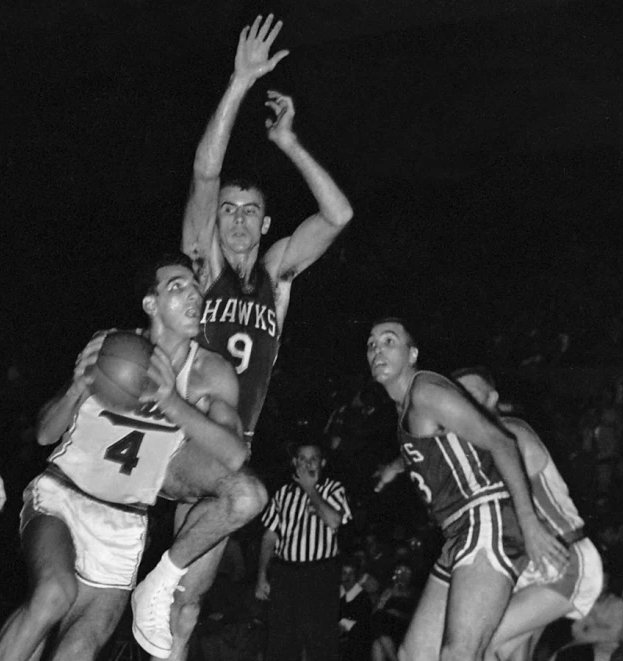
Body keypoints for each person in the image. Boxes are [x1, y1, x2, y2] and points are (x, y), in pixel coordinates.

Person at [171, 14, 353, 661]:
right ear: (215, 222)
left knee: (187, 599)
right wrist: (239, 83)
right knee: (222, 518)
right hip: (181, 434)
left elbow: (338, 214)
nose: (239, 220)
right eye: (229, 210)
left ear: (266, 220)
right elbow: (202, 171)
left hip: (231, 450)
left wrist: (290, 143)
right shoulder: (205, 265)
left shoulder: (277, 274)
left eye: (251, 211)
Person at [0, 253, 265, 661]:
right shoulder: (110, 346)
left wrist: (173, 403)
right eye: (177, 286)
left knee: (80, 647)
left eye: (195, 286)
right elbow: (44, 433)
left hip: (124, 525)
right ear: (151, 304)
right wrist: (75, 388)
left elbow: (234, 454)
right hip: (62, 496)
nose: (193, 293)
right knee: (53, 594)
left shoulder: (210, 374)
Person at [367, 318, 569, 661]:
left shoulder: (426, 392)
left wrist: (530, 523)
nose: (377, 350)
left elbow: (501, 442)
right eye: (371, 344)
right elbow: (443, 445)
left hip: (486, 520)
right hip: (460, 533)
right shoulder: (406, 409)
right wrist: (394, 467)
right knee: (413, 656)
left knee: (459, 654)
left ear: (412, 353)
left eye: (389, 341)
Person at [453, 367, 603, 661]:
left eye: (471, 394)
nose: (464, 402)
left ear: (492, 397)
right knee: (510, 655)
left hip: (564, 556)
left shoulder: (511, 432)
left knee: (478, 643)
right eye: (459, 397)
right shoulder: (479, 446)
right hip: (531, 568)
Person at [255, 441, 352, 660]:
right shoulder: (283, 494)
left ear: (322, 462)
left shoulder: (333, 489)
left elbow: (335, 521)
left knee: (320, 640)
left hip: (320, 574)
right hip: (285, 574)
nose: (307, 463)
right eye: (302, 458)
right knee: (281, 640)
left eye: (313, 458)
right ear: (294, 462)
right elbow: (269, 536)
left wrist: (311, 490)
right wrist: (262, 575)